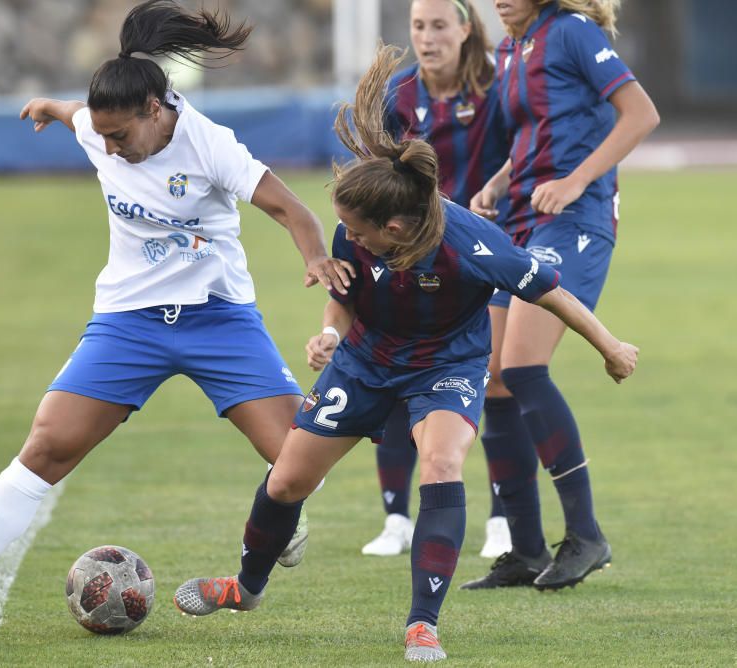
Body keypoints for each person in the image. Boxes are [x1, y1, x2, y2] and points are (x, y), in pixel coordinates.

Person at [0, 0, 352, 650]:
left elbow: (293, 210)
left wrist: (315, 259)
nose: (108, 148)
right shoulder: (101, 127)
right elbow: (79, 117)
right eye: (100, 135)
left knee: (303, 465)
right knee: (45, 447)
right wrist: (53, 107)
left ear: (157, 112)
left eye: (120, 136)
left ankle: (278, 512)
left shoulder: (208, 143)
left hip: (220, 322)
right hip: (128, 326)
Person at [172, 44, 638, 663]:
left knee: (442, 465)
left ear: (394, 229)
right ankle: (247, 588)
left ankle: (423, 624)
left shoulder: (473, 244)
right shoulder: (356, 227)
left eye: (358, 232)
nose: (349, 238)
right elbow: (343, 295)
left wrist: (609, 346)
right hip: (364, 361)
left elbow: (551, 292)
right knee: (286, 480)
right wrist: (330, 334)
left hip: (446, 367)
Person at [458, 0, 659, 591]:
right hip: (520, 220)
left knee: (522, 367)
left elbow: (640, 114)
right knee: (492, 375)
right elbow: (530, 134)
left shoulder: (571, 32)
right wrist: (497, 183)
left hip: (575, 222)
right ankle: (523, 550)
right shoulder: (510, 46)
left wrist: (576, 181)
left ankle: (587, 535)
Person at [360, 0, 513, 560]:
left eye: (439, 26)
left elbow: (527, 152)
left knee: (496, 376)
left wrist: (496, 197)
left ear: (466, 29)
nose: (427, 38)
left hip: (482, 254)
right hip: (412, 257)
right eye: (418, 27)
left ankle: (503, 518)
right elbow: (378, 175)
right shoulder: (398, 96)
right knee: (397, 373)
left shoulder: (497, 87)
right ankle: (396, 518)